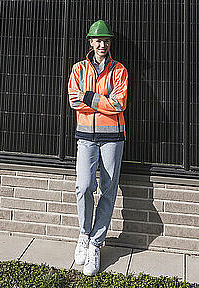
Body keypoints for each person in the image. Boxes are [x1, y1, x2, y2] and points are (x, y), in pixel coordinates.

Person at [68, 20, 128, 276]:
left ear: (109, 43)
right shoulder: (78, 69)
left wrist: (89, 97)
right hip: (86, 137)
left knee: (107, 190)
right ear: (90, 43)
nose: (102, 44)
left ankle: (96, 243)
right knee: (83, 186)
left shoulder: (119, 70)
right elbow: (73, 101)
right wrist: (100, 100)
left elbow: (119, 105)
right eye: (97, 40)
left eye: (106, 40)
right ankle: (84, 233)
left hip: (113, 138)